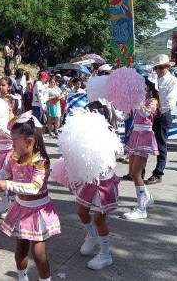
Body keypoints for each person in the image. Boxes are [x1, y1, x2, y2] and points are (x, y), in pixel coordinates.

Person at [0, 113, 60, 281]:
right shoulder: (14, 156)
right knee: (20, 251)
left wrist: (7, 185)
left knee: (38, 255)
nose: (11, 144)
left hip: (37, 211)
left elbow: (34, 187)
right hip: (21, 207)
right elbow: (5, 173)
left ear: (29, 142)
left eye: (14, 141)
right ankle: (22, 278)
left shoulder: (41, 161)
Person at [71, 101, 120, 270]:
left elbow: (117, 154)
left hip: (104, 182)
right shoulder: (84, 136)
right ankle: (91, 236)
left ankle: (106, 255)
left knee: (100, 218)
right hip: (89, 180)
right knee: (81, 210)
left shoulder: (109, 135)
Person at [122, 78, 161, 220]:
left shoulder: (153, 101)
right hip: (135, 135)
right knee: (132, 173)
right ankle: (147, 197)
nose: (140, 89)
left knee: (137, 174)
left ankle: (141, 209)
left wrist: (137, 101)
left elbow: (146, 113)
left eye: (142, 86)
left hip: (145, 136)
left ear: (149, 87)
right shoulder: (139, 100)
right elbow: (127, 115)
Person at [148, 53, 177, 184]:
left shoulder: (174, 81)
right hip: (151, 114)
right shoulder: (154, 80)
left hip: (162, 115)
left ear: (167, 67)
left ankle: (158, 173)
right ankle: (139, 171)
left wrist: (153, 107)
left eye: (161, 67)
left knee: (161, 144)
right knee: (145, 144)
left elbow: (169, 101)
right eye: (156, 68)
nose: (158, 70)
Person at [0, 95, 17, 215]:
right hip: (2, 154)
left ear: (11, 106)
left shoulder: (16, 121)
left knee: (10, 180)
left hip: (12, 154)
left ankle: (12, 206)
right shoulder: (0, 121)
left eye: (4, 105)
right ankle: (5, 201)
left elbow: (19, 140)